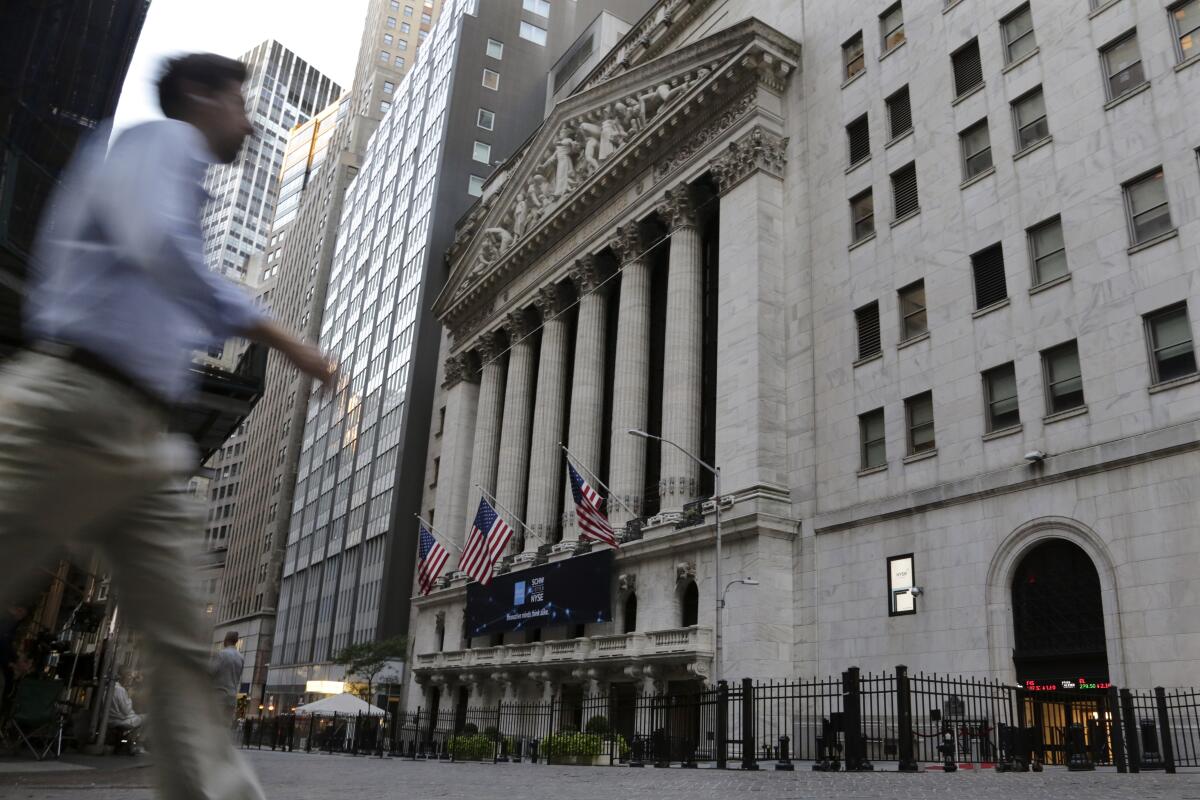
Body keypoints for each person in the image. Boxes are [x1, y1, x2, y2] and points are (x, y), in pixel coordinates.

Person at [0, 53, 336, 799]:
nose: (249, 123)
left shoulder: (180, 177)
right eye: (241, 104)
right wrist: (287, 341)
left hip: (144, 440)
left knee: (186, 647)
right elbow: (162, 249)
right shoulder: (158, 146)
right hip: (72, 403)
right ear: (197, 96)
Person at [108, 667, 147, 751]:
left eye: (131, 676)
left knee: (139, 718)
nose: (131, 678)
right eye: (128, 676)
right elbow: (126, 711)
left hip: (113, 718)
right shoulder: (120, 690)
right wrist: (129, 697)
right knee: (148, 718)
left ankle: (131, 743)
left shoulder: (113, 687)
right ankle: (136, 744)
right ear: (121, 676)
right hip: (118, 720)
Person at [212, 630, 244, 723]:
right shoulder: (240, 657)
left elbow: (211, 672)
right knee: (226, 726)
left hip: (219, 696)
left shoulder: (221, 654)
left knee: (214, 724)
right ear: (236, 641)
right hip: (232, 697)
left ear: (225, 640)